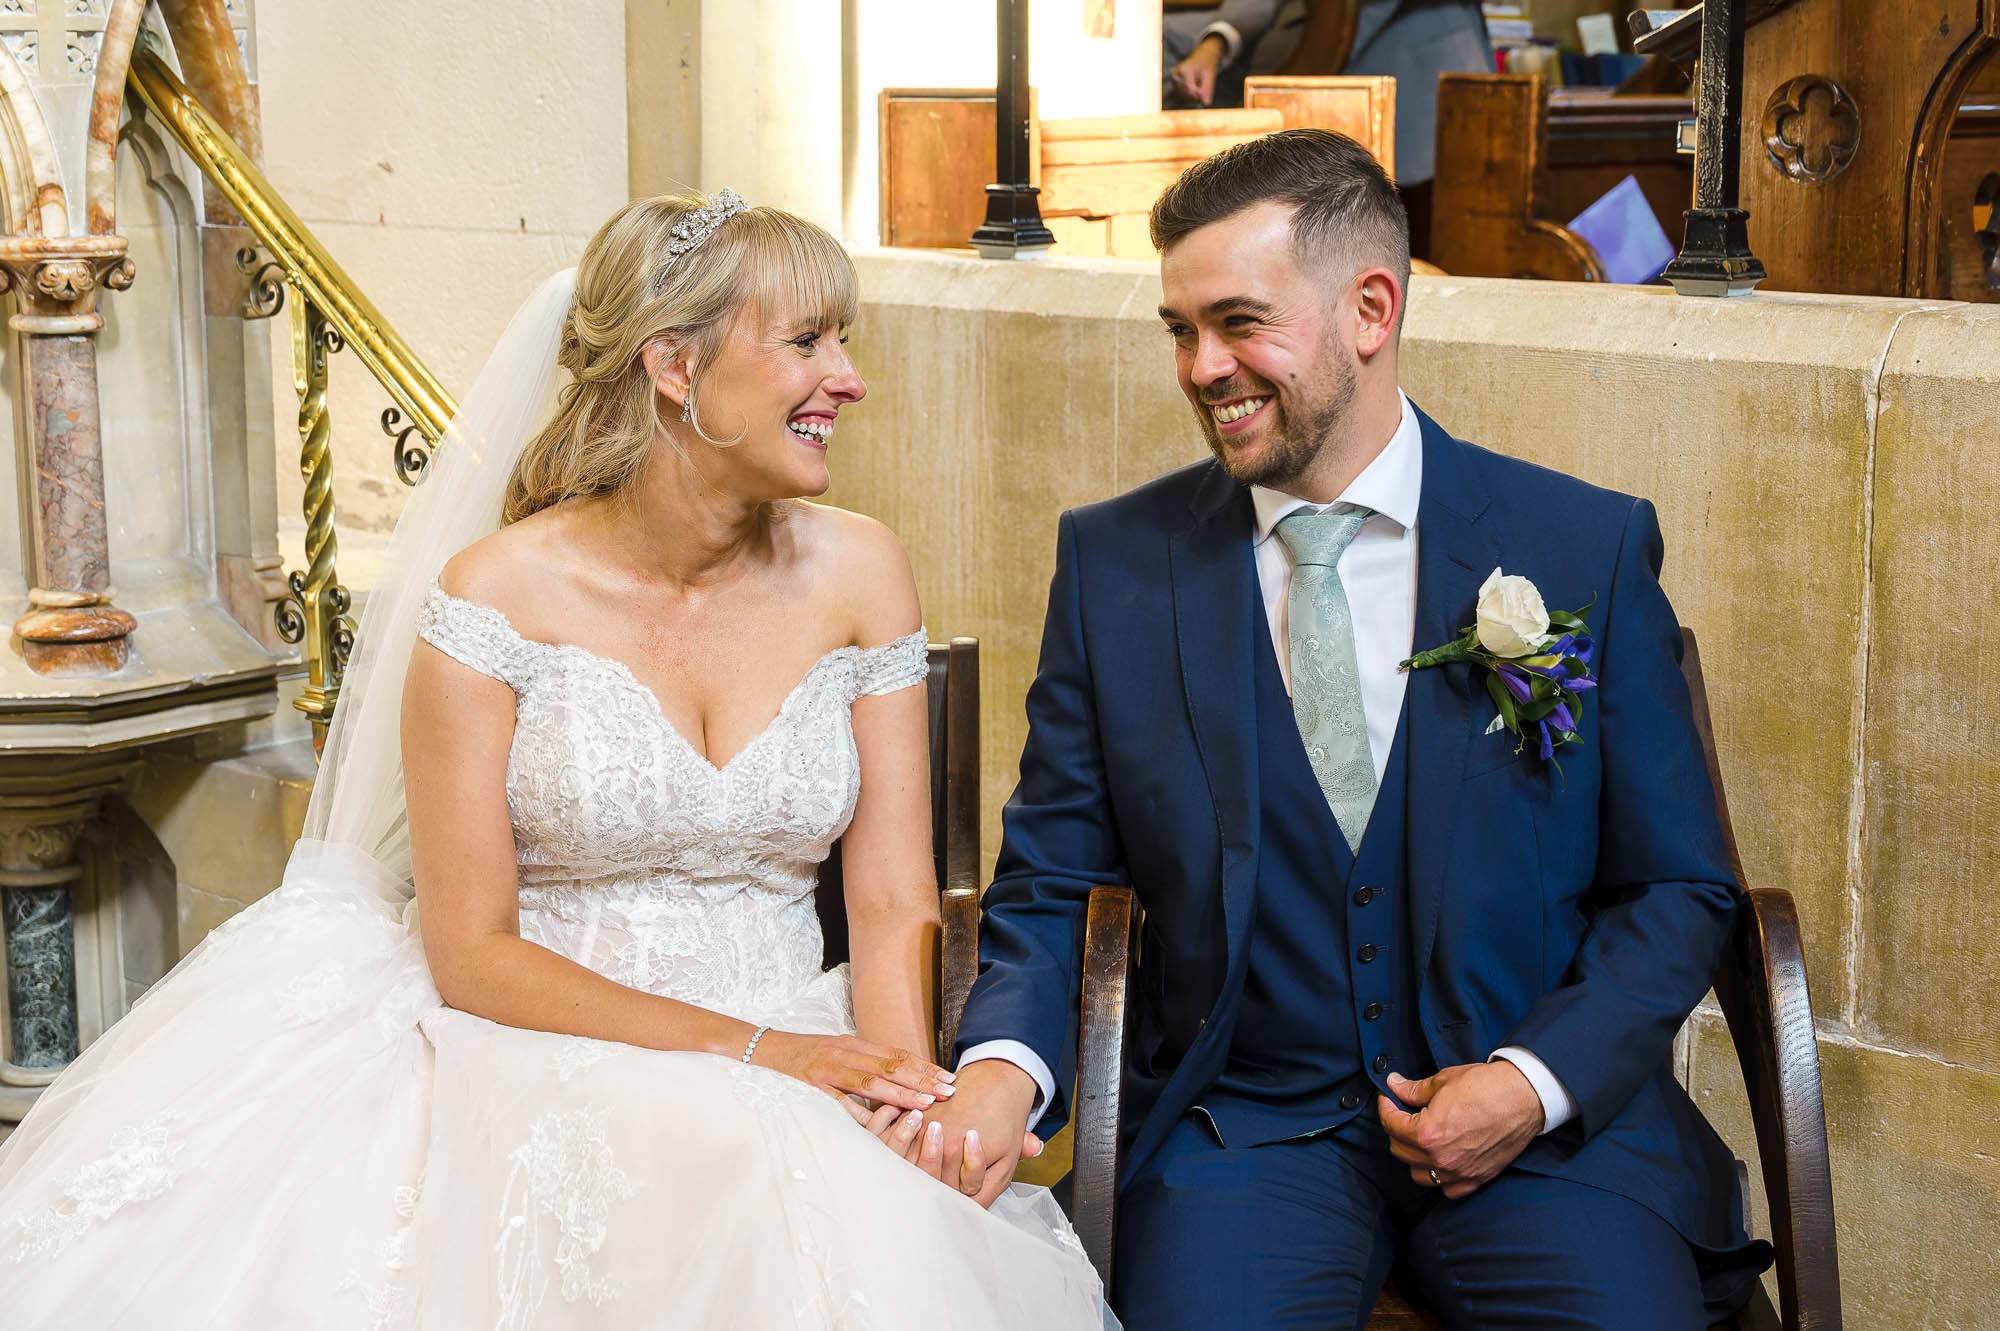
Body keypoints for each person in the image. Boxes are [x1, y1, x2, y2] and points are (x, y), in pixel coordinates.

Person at [0, 192, 1111, 1329]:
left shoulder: (862, 570)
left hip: (799, 1017)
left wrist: (899, 1086)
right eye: (806, 342)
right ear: (673, 365)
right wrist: (759, 1053)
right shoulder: (496, 597)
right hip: (536, 1037)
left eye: (843, 341)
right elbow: (472, 950)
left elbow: (886, 899)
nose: (848, 379)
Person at [921, 130, 1772, 1329]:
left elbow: (1679, 885)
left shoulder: (1579, 546)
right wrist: (1004, 1066)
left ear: (1369, 308)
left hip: (1548, 1147)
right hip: (1247, 1130)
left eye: (1236, 321)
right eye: (1177, 329)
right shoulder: (1115, 566)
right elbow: (1052, 870)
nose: (1200, 366)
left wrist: (1530, 1084)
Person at [1165, 0, 1490, 250]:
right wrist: (1218, 42)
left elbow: (1335, 27)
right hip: (1297, 34)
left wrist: (1296, 72)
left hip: (1406, 63)